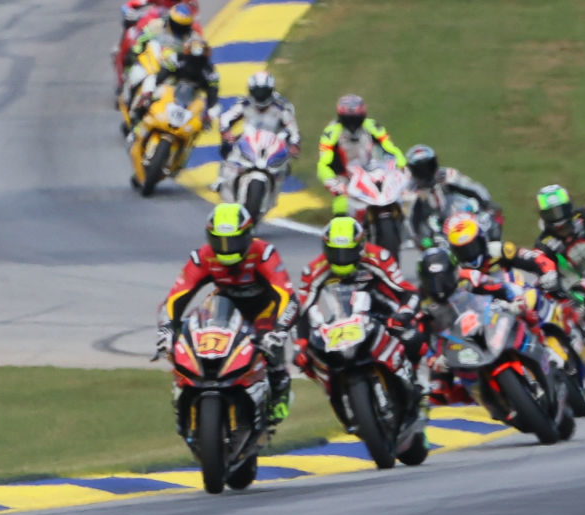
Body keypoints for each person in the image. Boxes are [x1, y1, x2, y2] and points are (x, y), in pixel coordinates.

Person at [156, 203, 295, 423]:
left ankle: (279, 388)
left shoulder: (265, 253)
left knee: (269, 341)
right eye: (219, 241)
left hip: (262, 307)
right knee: (193, 328)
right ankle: (191, 387)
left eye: (233, 240)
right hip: (224, 305)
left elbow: (288, 297)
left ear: (248, 235)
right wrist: (166, 330)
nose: (227, 248)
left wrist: (279, 331)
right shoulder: (202, 257)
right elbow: (174, 298)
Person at [283, 215, 420, 349]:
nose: (341, 258)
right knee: (309, 359)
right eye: (335, 252)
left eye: (347, 252)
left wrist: (403, 314)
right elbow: (301, 310)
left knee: (414, 340)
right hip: (339, 326)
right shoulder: (313, 270)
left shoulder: (379, 257)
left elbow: (409, 292)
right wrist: (300, 345)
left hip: (381, 316)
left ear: (360, 245)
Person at [315, 94, 405, 216]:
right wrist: (332, 182)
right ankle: (342, 232)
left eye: (356, 113)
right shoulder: (331, 131)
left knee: (398, 196)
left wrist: (401, 165)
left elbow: (390, 148)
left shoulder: (372, 125)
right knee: (341, 205)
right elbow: (324, 163)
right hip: (345, 177)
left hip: (371, 172)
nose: (353, 120)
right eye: (349, 115)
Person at [215, 70, 302, 191]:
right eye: (257, 91)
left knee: (285, 167)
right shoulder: (244, 103)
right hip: (249, 138)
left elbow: (294, 130)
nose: (260, 95)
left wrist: (294, 145)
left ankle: (274, 188)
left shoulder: (282, 107)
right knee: (228, 147)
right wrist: (226, 131)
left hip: (274, 141)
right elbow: (226, 117)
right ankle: (222, 179)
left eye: (264, 92)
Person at [405, 145, 499, 249]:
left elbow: (474, 189)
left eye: (428, 167)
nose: (425, 173)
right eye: (420, 170)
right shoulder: (409, 189)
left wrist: (487, 204)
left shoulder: (449, 174)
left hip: (463, 219)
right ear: (412, 170)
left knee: (493, 224)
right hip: (436, 231)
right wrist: (418, 238)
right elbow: (409, 219)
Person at [125, 37, 219, 136]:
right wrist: (149, 92)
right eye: (192, 58)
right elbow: (160, 76)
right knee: (151, 86)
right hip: (171, 89)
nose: (195, 63)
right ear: (187, 52)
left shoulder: (211, 72)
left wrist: (208, 115)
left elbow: (213, 94)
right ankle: (136, 121)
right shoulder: (176, 58)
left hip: (192, 98)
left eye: (200, 60)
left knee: (204, 116)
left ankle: (188, 143)